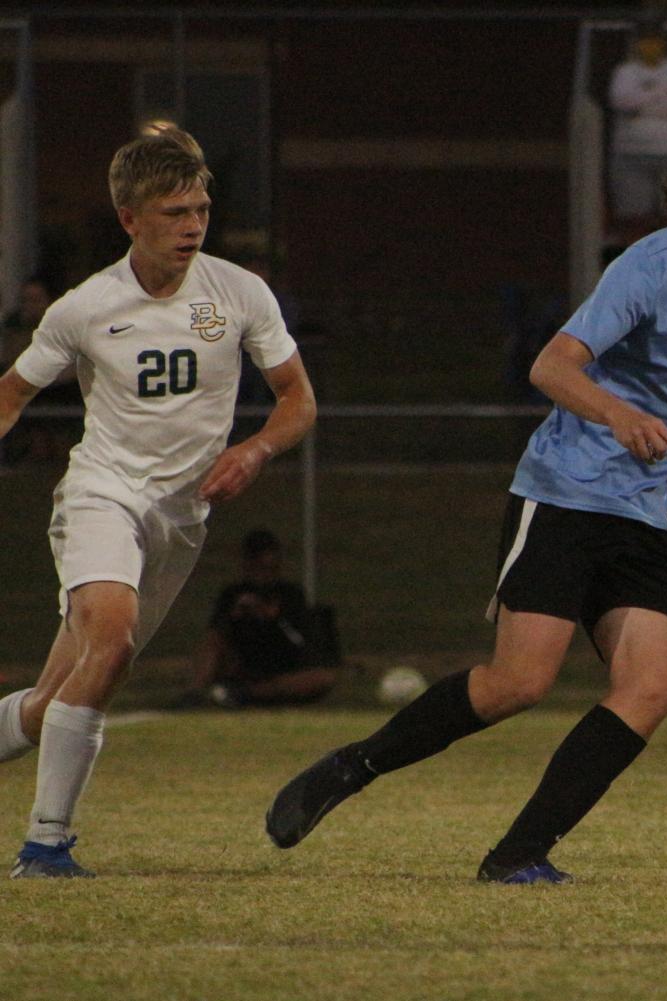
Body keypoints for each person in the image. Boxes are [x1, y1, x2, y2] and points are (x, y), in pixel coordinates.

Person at [264, 110, 667, 885]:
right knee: (518, 684)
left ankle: (518, 852)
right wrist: (618, 413)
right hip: (565, 492)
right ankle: (351, 766)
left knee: (655, 684)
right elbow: (551, 366)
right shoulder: (648, 269)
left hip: (640, 513)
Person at [0, 126, 316, 878]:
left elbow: (297, 399)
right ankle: (46, 844)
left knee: (58, 699)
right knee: (111, 637)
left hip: (180, 518)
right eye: (175, 212)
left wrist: (255, 447)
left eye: (201, 209)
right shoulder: (85, 307)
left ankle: (39, 801)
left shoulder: (238, 292)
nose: (193, 226)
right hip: (103, 491)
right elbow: (13, 392)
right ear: (129, 220)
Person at [185, 528, 335, 708]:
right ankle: (194, 695)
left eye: (270, 568)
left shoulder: (290, 595)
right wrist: (236, 615)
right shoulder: (233, 594)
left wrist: (275, 618)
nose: (264, 575)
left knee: (320, 678)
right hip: (244, 664)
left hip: (283, 666)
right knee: (212, 642)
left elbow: (302, 643)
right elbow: (215, 636)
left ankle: (245, 695)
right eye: (258, 568)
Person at [607, 16, 667, 248]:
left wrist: (643, 103)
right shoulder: (625, 72)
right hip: (631, 154)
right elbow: (622, 101)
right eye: (645, 39)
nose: (650, 45)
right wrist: (663, 95)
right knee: (634, 218)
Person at [0, 274, 75, 466]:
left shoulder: (65, 326)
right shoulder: (14, 326)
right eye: (26, 300)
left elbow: (70, 370)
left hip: (62, 398)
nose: (30, 306)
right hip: (26, 402)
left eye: (36, 300)